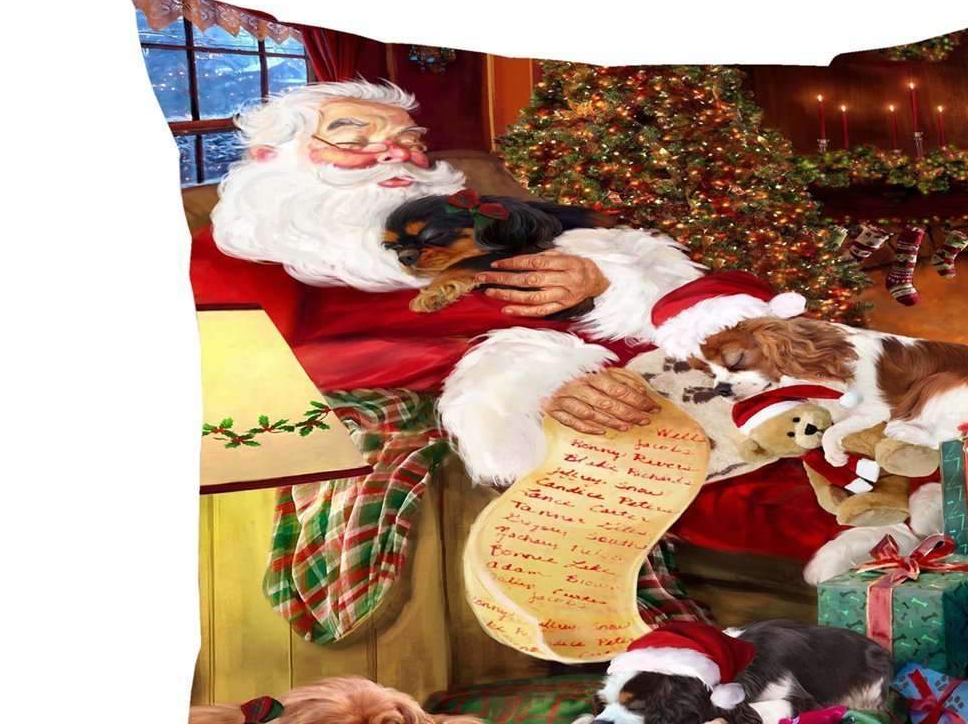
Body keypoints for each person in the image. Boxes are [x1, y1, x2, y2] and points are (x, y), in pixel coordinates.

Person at [193, 78, 701, 485]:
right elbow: (255, 374)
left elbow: (618, 259)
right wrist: (523, 370)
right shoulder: (243, 251)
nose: (393, 153)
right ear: (269, 156)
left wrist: (600, 284)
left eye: (408, 141)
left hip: (657, 353)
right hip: (570, 400)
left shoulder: (459, 217)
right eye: (353, 140)